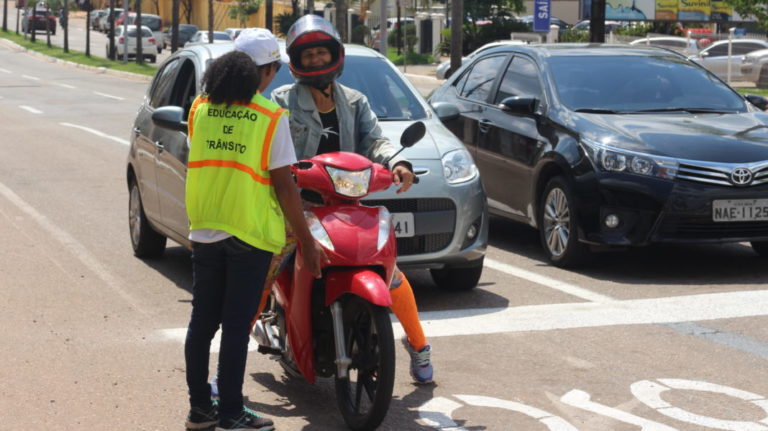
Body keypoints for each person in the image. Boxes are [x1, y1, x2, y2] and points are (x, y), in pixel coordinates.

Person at [259, 14, 434, 384]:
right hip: (299, 206)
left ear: (335, 55)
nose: (317, 60)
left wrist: (398, 163)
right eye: (309, 56)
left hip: (346, 208)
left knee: (392, 277)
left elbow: (376, 141)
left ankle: (419, 346)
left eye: (322, 53)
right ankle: (229, 365)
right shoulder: (281, 100)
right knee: (263, 271)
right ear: (297, 62)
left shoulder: (354, 101)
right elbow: (275, 147)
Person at [183, 28, 324, 431]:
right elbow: (285, 186)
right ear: (263, 72)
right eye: (274, 70)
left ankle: (200, 411)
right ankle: (230, 414)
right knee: (234, 326)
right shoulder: (269, 117)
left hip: (206, 229)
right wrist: (309, 243)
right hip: (249, 234)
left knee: (202, 323)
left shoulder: (199, 109)